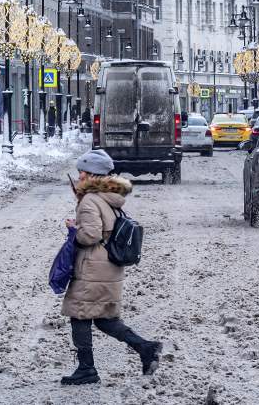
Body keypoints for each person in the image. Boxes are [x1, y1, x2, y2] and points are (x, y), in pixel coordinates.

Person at [60, 149, 162, 386]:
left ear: (90, 174)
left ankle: (87, 369)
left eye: (82, 172)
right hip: (108, 266)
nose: (79, 177)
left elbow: (91, 235)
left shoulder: (89, 200)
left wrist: (74, 230)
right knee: (105, 319)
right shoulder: (109, 197)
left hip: (92, 267)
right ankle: (146, 349)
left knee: (79, 315)